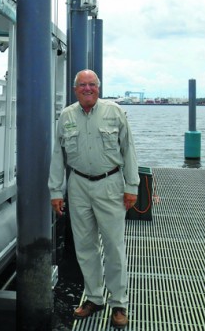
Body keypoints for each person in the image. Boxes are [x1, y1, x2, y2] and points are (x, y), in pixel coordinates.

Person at [49, 69, 139, 329]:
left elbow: (129, 150)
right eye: (82, 85)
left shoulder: (115, 112)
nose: (87, 88)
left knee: (114, 246)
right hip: (77, 185)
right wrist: (56, 191)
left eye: (92, 84)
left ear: (98, 87)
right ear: (75, 89)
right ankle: (95, 298)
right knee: (85, 246)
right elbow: (58, 156)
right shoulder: (66, 116)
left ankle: (119, 303)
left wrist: (131, 186)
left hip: (110, 184)